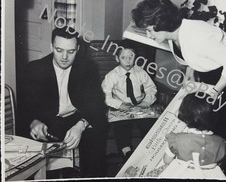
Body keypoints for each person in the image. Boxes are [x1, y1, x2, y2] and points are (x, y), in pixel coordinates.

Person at [131, 0, 226, 177]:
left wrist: (215, 91)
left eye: (149, 29)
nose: (148, 34)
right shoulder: (175, 34)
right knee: (212, 124)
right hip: (219, 70)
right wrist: (189, 72)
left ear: (161, 23)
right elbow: (193, 54)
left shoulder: (196, 37)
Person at [17, 26, 108, 178]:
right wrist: (34, 122)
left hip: (77, 117)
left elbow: (97, 104)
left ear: (78, 49)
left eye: (70, 51)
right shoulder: (34, 69)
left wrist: (81, 125)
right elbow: (25, 107)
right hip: (48, 120)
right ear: (51, 46)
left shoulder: (88, 68)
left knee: (98, 131)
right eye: (59, 50)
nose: (64, 57)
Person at [146, 92, 226, 178]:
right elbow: (221, 160)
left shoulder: (176, 139)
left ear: (185, 116)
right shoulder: (221, 142)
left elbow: (167, 160)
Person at [101, 41, 157, 160]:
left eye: (131, 57)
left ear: (135, 58)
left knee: (149, 124)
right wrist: (120, 105)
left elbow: (151, 89)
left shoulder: (140, 72)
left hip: (140, 106)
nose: (127, 61)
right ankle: (126, 153)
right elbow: (105, 95)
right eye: (123, 57)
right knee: (121, 126)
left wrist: (146, 102)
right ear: (117, 58)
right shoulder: (111, 76)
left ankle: (147, 152)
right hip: (121, 107)